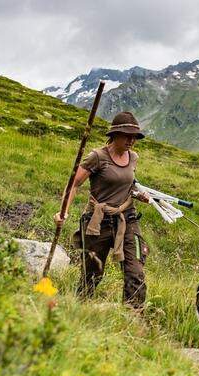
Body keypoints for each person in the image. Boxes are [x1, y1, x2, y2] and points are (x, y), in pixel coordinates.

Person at [54, 111, 151, 308]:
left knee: (135, 272)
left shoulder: (133, 158)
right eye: (127, 135)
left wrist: (137, 194)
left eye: (134, 137)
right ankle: (79, 308)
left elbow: (127, 184)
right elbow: (74, 184)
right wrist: (63, 211)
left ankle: (133, 318)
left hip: (127, 218)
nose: (131, 140)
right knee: (92, 274)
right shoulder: (97, 157)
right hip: (98, 222)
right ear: (114, 134)